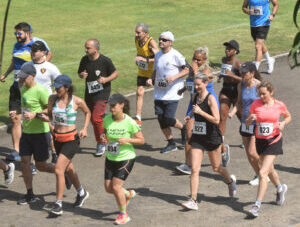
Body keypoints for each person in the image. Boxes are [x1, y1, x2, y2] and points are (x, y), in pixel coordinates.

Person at [181, 73, 237, 211]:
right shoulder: (195, 97)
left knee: (216, 168)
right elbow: (195, 110)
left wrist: (200, 112)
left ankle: (230, 181)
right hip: (198, 137)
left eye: (199, 84)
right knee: (195, 169)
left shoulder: (211, 98)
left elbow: (217, 120)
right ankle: (193, 200)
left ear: (206, 83)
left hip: (211, 137)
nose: (196, 87)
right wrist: (190, 116)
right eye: (195, 84)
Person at [46, 75, 91, 216]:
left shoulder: (77, 101)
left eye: (58, 87)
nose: (56, 89)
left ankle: (58, 204)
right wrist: (50, 127)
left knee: (59, 169)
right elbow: (49, 116)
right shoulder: (52, 99)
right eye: (55, 87)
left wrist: (84, 128)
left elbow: (87, 112)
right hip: (57, 139)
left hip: (71, 140)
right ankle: (81, 192)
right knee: (69, 168)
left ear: (67, 88)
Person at [246, 81, 291, 217]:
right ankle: (279, 188)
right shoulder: (256, 104)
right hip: (261, 141)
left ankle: (256, 205)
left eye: (264, 94)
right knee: (270, 169)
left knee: (263, 172)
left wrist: (282, 123)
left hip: (274, 140)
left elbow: (288, 116)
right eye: (259, 94)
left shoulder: (279, 105)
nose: (261, 96)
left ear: (271, 92)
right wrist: (250, 118)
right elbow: (248, 122)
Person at [16, 62, 55, 205]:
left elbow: (49, 110)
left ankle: (62, 171)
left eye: (25, 77)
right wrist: (18, 113)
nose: (22, 79)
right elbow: (25, 107)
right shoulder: (23, 88)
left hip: (40, 133)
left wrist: (35, 114)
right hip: (26, 133)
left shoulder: (41, 91)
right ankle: (29, 193)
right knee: (25, 162)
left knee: (41, 166)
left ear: (32, 76)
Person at [102, 93, 144, 225]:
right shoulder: (107, 119)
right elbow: (104, 132)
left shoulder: (130, 122)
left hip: (126, 158)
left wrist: (127, 139)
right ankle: (128, 194)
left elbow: (142, 140)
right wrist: (104, 137)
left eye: (114, 106)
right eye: (110, 106)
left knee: (115, 187)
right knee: (109, 188)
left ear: (122, 105)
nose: (111, 108)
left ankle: (123, 214)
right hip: (110, 157)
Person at [176, 47, 219, 175]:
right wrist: (183, 90)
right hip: (194, 103)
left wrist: (194, 70)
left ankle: (223, 149)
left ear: (205, 60)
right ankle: (188, 164)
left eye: (199, 59)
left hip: (208, 104)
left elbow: (198, 81)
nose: (195, 61)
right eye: (194, 58)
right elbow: (191, 83)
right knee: (189, 134)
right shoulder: (191, 70)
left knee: (210, 134)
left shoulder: (206, 71)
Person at [146, 31, 188, 153]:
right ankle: (171, 143)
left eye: (164, 40)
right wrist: (151, 79)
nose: (160, 42)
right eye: (160, 39)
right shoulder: (158, 55)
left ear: (170, 42)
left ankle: (183, 128)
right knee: (160, 118)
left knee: (168, 118)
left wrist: (174, 77)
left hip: (172, 93)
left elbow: (187, 70)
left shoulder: (176, 55)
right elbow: (155, 70)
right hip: (159, 93)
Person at [78, 39, 118, 157]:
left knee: (95, 119)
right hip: (89, 93)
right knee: (93, 118)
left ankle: (101, 143)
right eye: (85, 47)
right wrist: (81, 75)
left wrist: (105, 80)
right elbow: (80, 72)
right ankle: (105, 119)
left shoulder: (105, 61)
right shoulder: (84, 59)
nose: (85, 50)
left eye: (88, 48)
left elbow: (115, 73)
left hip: (102, 93)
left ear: (96, 49)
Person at [0, 22, 34, 162]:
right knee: (15, 119)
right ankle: (16, 150)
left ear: (27, 33)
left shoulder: (33, 46)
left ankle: (52, 148)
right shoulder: (16, 46)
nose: (17, 36)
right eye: (15, 33)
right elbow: (14, 62)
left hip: (28, 89)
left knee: (32, 120)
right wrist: (6, 74)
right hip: (15, 87)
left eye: (19, 33)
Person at [31, 40, 60, 164]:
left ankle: (55, 152)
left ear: (43, 52)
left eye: (35, 50)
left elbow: (60, 83)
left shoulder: (50, 67)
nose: (32, 52)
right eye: (31, 50)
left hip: (45, 104)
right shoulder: (27, 66)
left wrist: (53, 97)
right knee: (31, 131)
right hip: (31, 104)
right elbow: (21, 83)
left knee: (48, 126)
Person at [236, 62, 261, 185]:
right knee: (248, 153)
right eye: (241, 72)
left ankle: (264, 171)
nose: (242, 74)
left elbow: (267, 104)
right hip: (245, 122)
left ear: (252, 73)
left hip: (257, 122)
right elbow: (239, 102)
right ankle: (259, 174)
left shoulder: (259, 86)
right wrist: (235, 112)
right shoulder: (241, 85)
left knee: (252, 151)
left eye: (245, 72)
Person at [218, 40, 242, 167]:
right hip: (225, 90)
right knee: (222, 117)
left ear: (235, 51)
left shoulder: (238, 63)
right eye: (226, 48)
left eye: (230, 48)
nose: (227, 50)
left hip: (236, 92)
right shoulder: (223, 60)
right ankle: (221, 144)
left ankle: (248, 136)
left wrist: (233, 75)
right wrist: (221, 76)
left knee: (241, 116)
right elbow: (224, 72)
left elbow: (245, 79)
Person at [242, 0, 278, 73]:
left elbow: (276, 4)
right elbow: (244, 7)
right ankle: (269, 60)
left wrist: (272, 15)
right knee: (260, 45)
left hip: (264, 23)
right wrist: (247, 11)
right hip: (253, 24)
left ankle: (254, 71)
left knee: (258, 46)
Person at [134, 23, 159, 126]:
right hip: (142, 71)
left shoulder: (151, 43)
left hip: (154, 72)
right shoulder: (137, 40)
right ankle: (138, 117)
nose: (136, 34)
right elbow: (140, 53)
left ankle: (162, 111)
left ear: (145, 33)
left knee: (159, 93)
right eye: (135, 32)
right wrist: (138, 59)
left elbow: (159, 58)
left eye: (138, 32)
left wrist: (145, 60)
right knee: (140, 92)